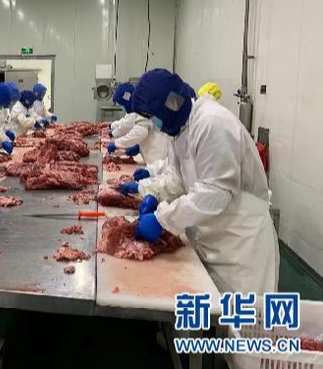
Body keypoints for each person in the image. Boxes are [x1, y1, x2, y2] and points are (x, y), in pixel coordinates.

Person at [124, 68, 279, 295]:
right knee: (214, 310)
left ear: (171, 104)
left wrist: (162, 219)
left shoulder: (212, 123)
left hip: (242, 244)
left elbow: (215, 192)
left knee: (244, 315)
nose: (155, 124)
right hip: (212, 235)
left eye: (154, 117)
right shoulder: (179, 129)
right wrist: (151, 192)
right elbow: (177, 178)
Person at [106, 82, 169, 165]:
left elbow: (140, 132)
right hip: (156, 152)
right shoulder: (142, 105)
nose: (123, 107)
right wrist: (139, 147)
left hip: (158, 155)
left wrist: (116, 143)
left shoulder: (143, 107)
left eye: (122, 105)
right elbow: (147, 128)